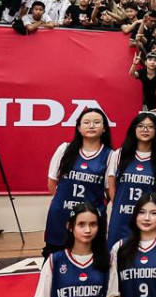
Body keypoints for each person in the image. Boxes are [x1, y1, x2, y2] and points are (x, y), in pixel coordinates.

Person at [44, 108, 114, 256]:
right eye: (86, 122)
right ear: (79, 128)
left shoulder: (110, 156)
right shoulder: (65, 149)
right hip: (61, 214)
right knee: (56, 256)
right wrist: (62, 201)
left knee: (93, 258)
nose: (91, 126)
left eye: (97, 122)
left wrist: (93, 209)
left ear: (104, 128)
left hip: (91, 217)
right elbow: (52, 183)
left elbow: (109, 192)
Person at [106, 113, 156, 251]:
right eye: (141, 126)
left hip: (147, 219)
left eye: (150, 127)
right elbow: (111, 186)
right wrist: (118, 205)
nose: (145, 129)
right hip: (121, 217)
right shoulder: (119, 155)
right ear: (134, 129)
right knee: (116, 256)